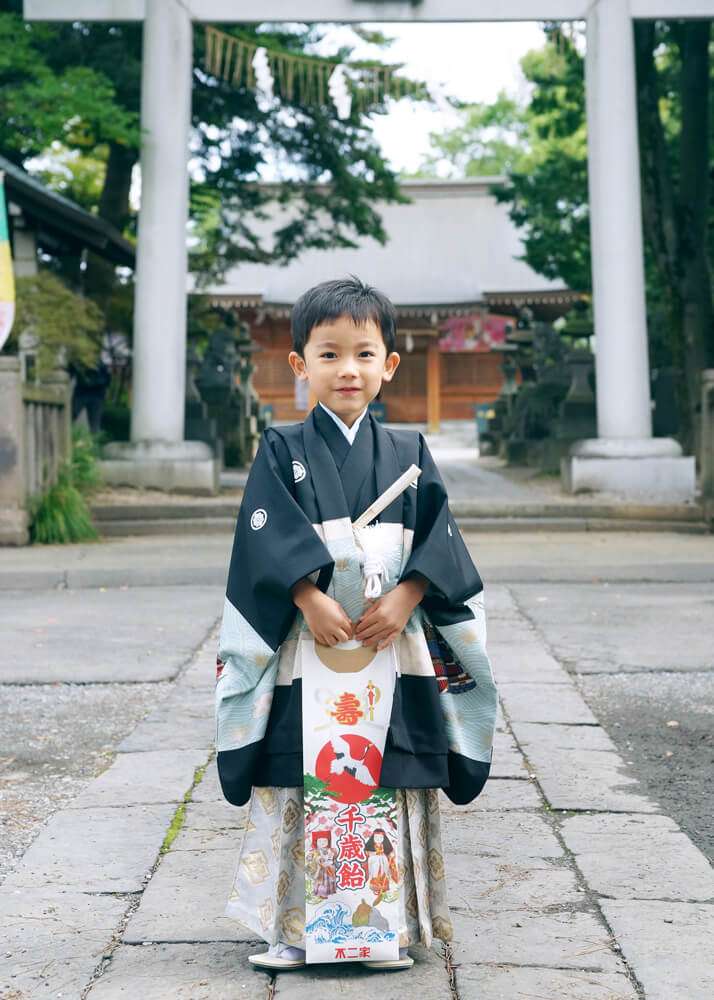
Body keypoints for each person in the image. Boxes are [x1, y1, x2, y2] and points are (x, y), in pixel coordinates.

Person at [216, 276, 498, 972]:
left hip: (387, 645)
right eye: (330, 353)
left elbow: (442, 538)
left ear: (389, 365)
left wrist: (409, 593)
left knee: (387, 775)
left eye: (365, 354)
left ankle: (385, 928)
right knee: (299, 774)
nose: (348, 369)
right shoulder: (281, 448)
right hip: (306, 647)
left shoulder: (408, 450)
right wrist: (307, 597)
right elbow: (262, 536)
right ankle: (290, 927)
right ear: (299, 364)